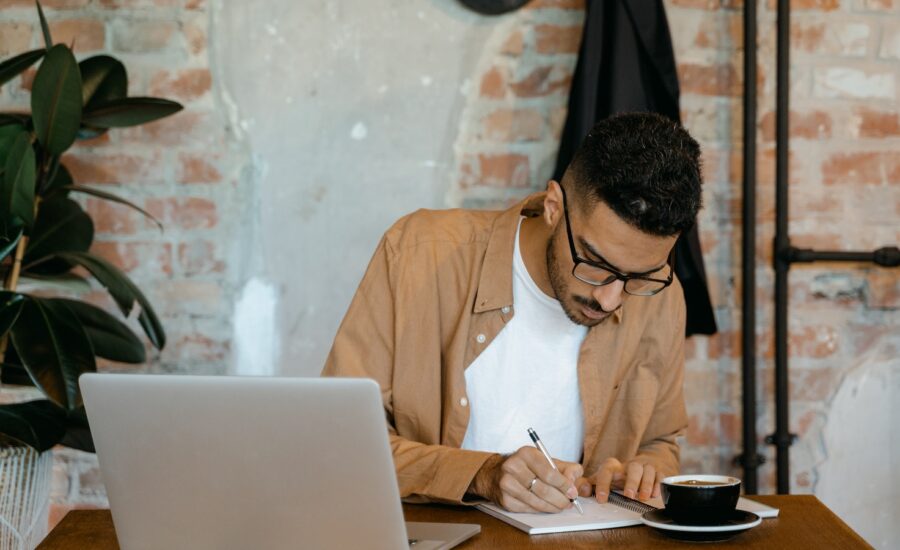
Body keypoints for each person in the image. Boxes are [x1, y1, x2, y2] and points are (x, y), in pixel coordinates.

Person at [322, 112, 702, 514]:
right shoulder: (417, 254)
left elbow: (659, 442)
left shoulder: (660, 296)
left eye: (639, 276)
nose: (610, 299)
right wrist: (482, 474)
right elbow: (339, 440)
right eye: (594, 264)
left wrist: (644, 472)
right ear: (555, 206)